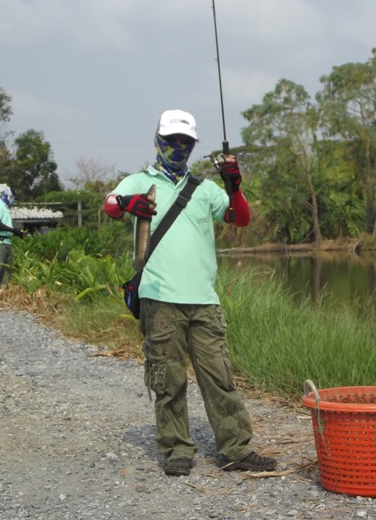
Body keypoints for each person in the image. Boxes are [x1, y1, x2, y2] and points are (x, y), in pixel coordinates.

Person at [103, 109, 277, 477]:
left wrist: (235, 187)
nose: (178, 149)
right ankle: (176, 448)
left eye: (185, 143)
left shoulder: (204, 190)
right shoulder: (139, 181)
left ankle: (235, 448)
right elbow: (109, 206)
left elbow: (239, 218)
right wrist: (126, 204)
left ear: (193, 147)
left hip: (204, 300)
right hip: (160, 297)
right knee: (168, 377)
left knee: (219, 376)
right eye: (171, 141)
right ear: (158, 141)